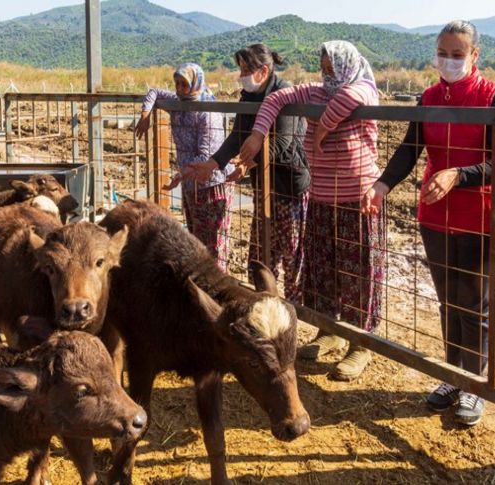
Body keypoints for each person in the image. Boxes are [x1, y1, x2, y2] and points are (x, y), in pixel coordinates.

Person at [363, 20, 495, 426]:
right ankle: (453, 376)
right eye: (443, 53)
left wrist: (456, 175)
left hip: (484, 219)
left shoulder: (494, 99)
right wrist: (382, 184)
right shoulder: (429, 97)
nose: (449, 61)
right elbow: (410, 148)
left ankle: (476, 385)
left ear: (475, 56)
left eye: (458, 54)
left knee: (476, 305)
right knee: (449, 300)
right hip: (437, 217)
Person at [239, 41, 385, 381]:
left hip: (356, 197)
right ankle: (328, 329)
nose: (327, 75)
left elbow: (353, 97)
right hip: (321, 196)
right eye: (323, 68)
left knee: (358, 272)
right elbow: (276, 99)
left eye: (332, 68)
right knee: (323, 266)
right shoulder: (318, 91)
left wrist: (323, 126)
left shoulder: (362, 86)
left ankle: (361, 343)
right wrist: (259, 134)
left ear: (347, 65)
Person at [186, 44, 310, 300]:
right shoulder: (248, 95)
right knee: (261, 253)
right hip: (263, 185)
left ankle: (296, 311)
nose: (241, 74)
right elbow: (237, 136)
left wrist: (247, 164)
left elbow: (282, 142)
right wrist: (213, 163)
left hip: (288, 185)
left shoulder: (283, 91)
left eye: (245, 69)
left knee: (291, 253)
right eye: (240, 69)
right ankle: (268, 303)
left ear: (263, 71)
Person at [135, 62, 234, 270]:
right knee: (196, 241)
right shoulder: (179, 103)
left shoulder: (207, 111)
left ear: (196, 83)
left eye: (184, 84)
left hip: (210, 184)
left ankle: (217, 288)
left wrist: (181, 175)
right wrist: (145, 115)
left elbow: (207, 156)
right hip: (191, 182)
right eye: (177, 84)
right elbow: (154, 92)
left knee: (213, 245)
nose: (179, 89)